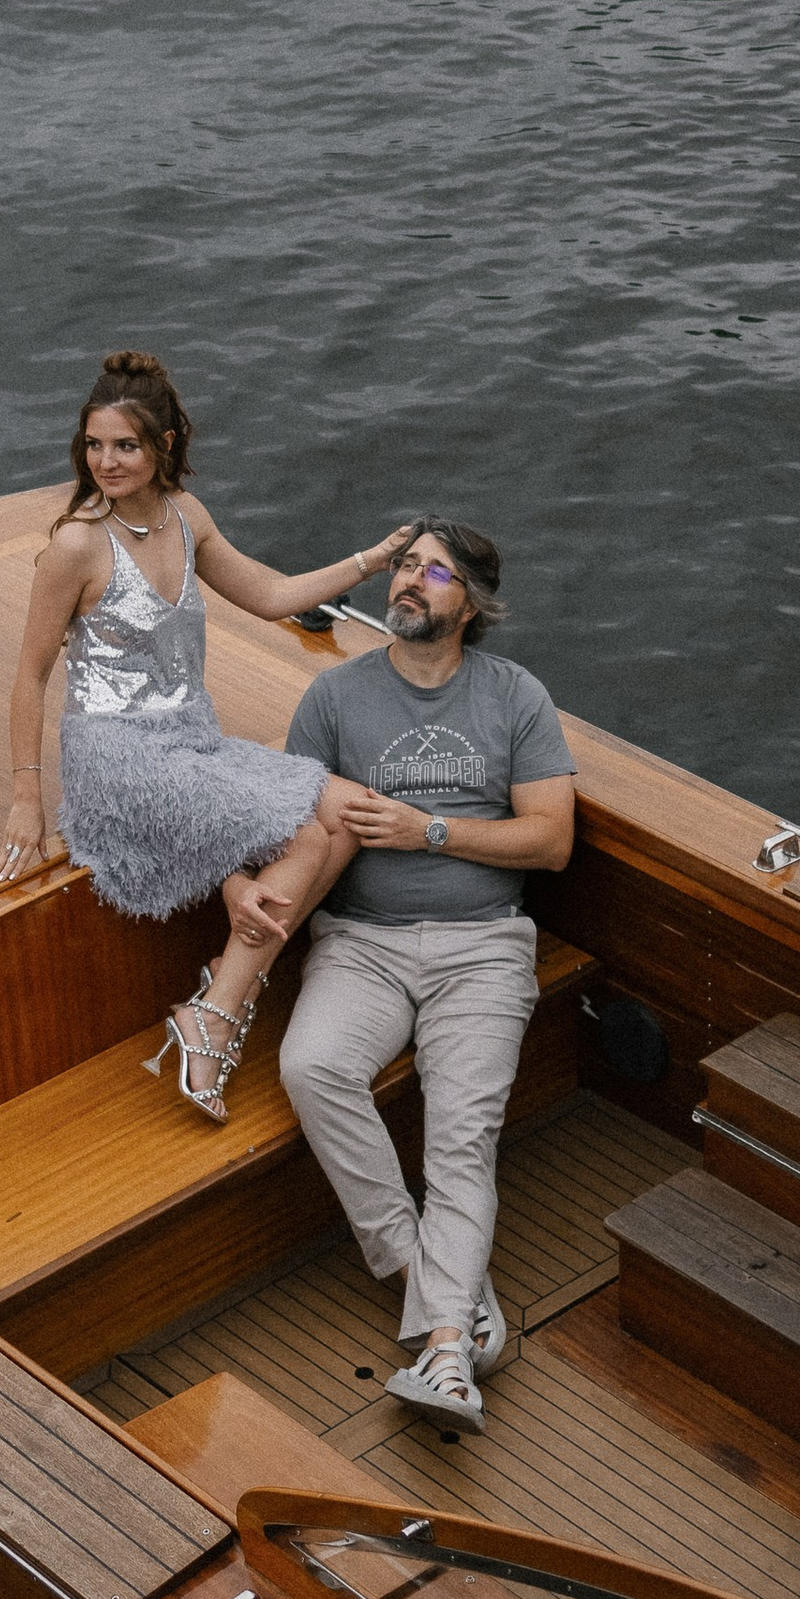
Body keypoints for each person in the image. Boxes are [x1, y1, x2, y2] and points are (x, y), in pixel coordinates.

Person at [0, 353, 400, 1120]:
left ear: (167, 445)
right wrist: (26, 795)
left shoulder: (188, 517)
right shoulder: (77, 546)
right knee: (309, 840)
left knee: (347, 811)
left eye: (125, 446)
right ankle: (214, 1016)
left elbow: (273, 596)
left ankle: (225, 975)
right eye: (94, 445)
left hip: (192, 738)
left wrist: (369, 561)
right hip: (116, 754)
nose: (106, 462)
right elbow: (29, 675)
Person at [276, 521, 576, 1429]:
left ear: (472, 603)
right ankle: (429, 1284)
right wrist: (245, 902)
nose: (410, 581)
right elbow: (291, 819)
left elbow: (551, 841)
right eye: (406, 566)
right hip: (359, 942)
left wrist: (427, 831)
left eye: (433, 571)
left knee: (460, 1135)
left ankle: (446, 1355)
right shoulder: (334, 697)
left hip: (483, 943)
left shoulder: (515, 697)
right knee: (311, 1067)